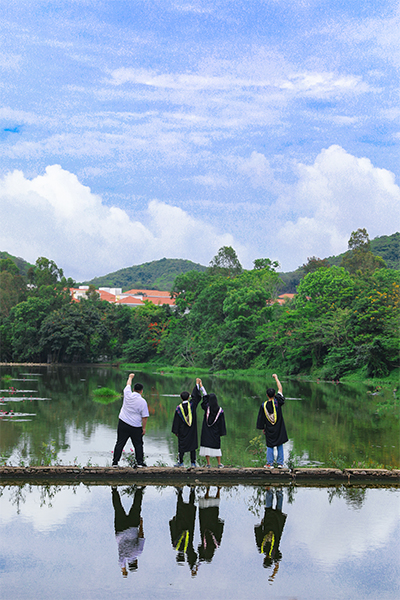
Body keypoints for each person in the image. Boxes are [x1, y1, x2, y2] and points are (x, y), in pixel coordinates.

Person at [112, 373, 149, 467]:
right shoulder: (142, 401)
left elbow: (128, 384)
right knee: (138, 445)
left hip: (123, 423)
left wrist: (130, 377)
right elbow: (145, 417)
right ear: (141, 391)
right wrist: (144, 428)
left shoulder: (127, 394)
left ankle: (115, 462)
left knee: (120, 443)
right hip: (135, 426)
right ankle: (140, 463)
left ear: (133, 389)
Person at [112, 486, 145, 576]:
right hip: (120, 531)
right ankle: (114, 489)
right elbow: (121, 564)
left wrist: (141, 524)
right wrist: (124, 572)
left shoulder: (138, 552)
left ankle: (138, 489)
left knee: (136, 507)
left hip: (132, 527)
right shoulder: (123, 558)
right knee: (118, 509)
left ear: (136, 562)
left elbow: (141, 536)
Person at [256, 373, 288, 468]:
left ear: (267, 395)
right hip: (279, 428)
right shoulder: (278, 401)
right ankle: (280, 463)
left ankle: (270, 463)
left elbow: (261, 418)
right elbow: (280, 389)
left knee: (270, 445)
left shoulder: (263, 405)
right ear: (274, 394)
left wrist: (263, 428)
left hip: (269, 428)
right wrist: (276, 378)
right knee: (279, 444)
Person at [254, 487, 287, 578]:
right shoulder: (262, 549)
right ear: (264, 559)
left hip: (276, 526)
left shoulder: (274, 554)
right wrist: (261, 525)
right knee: (269, 509)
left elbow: (277, 565)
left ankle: (279, 491)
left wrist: (273, 574)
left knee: (278, 510)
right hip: (269, 524)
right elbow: (258, 534)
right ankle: (269, 491)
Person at [171, 378, 204, 467]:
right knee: (192, 446)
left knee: (181, 446)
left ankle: (180, 462)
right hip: (192, 429)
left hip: (182, 431)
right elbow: (197, 397)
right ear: (189, 397)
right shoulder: (192, 405)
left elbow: (176, 421)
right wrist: (197, 384)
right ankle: (193, 463)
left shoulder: (178, 408)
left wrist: (176, 431)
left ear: (181, 398)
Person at [169, 486, 198, 576]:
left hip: (187, 525)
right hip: (181, 523)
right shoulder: (177, 546)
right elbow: (172, 531)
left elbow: (192, 558)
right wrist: (172, 522)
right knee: (181, 505)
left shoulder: (186, 549)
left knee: (189, 505)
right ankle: (181, 491)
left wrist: (193, 568)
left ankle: (192, 490)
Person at [199, 385, 226, 468]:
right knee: (216, 447)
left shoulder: (207, 408)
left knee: (207, 446)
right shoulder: (220, 411)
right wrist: (221, 432)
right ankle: (219, 464)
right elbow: (222, 423)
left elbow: (204, 402)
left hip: (207, 431)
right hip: (215, 431)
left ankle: (208, 464)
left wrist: (201, 387)